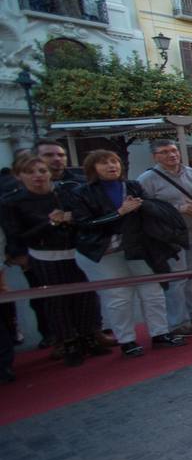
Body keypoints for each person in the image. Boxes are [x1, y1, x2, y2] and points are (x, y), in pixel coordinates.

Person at [69, 151, 185, 357]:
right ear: (92, 168)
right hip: (104, 252)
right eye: (104, 163)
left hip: (138, 248)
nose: (111, 166)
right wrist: (119, 213)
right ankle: (126, 340)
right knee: (118, 297)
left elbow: (151, 210)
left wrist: (145, 206)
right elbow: (83, 223)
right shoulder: (81, 192)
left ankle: (160, 333)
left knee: (153, 292)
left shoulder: (132, 186)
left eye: (114, 161)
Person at [0, 154, 103, 367]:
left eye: (42, 171)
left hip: (77, 252)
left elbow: (85, 220)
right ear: (19, 176)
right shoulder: (12, 202)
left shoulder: (65, 193)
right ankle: (68, 343)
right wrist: (50, 224)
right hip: (43, 257)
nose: (38, 176)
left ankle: (89, 337)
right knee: (57, 302)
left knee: (86, 297)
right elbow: (16, 235)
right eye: (30, 172)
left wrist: (73, 219)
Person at [138, 139, 192, 338]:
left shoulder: (191, 172)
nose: (171, 155)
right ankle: (178, 322)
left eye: (173, 150)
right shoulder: (147, 179)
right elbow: (146, 207)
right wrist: (179, 209)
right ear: (155, 156)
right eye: (164, 152)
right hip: (170, 236)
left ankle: (191, 314)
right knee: (176, 280)